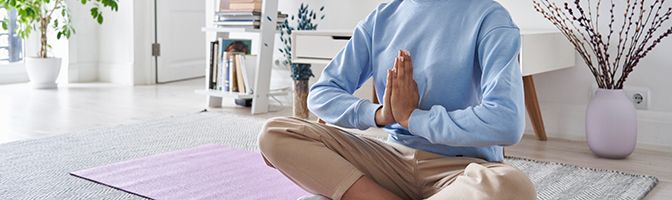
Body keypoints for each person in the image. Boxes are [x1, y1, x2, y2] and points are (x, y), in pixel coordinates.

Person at [258, 0, 536, 199]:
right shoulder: (381, 18)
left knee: (511, 185)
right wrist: (380, 114)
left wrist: (413, 117)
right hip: (390, 160)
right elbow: (321, 93)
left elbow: (506, 122)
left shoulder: (490, 17)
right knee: (275, 133)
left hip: (463, 169)